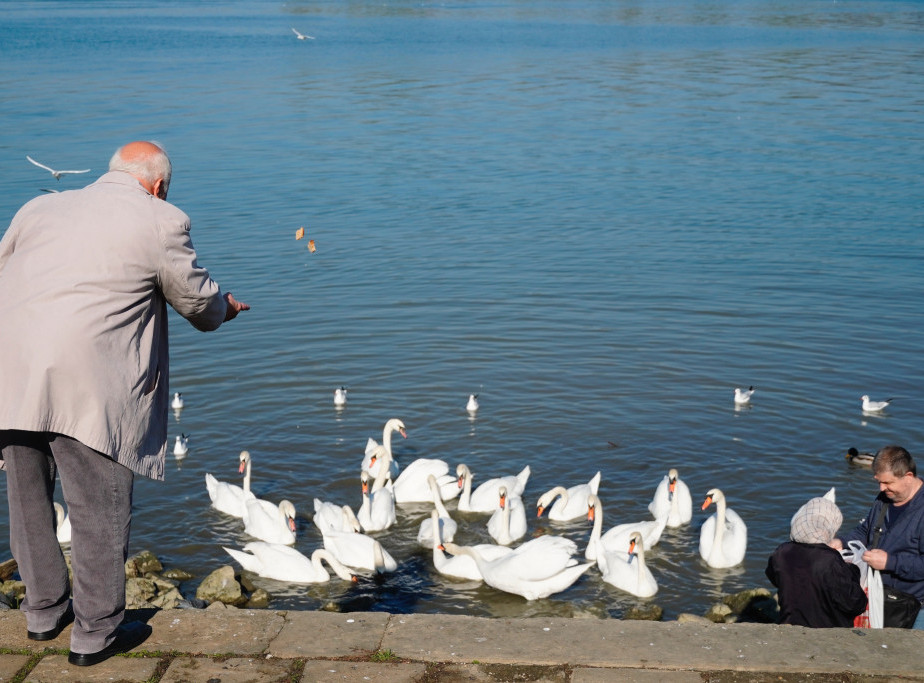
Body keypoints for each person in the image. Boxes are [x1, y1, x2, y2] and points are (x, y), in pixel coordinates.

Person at [0, 141, 250, 665]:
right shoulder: (161, 220)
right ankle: (94, 635)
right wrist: (224, 307)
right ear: (157, 186)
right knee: (98, 508)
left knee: (26, 501)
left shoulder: (36, 208)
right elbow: (196, 303)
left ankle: (44, 615)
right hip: (88, 386)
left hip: (13, 376)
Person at [831, 445, 924, 629]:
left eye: (888, 483)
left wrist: (890, 562)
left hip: (915, 607)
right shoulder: (884, 498)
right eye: (879, 482)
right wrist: (841, 542)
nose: (882, 488)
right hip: (879, 597)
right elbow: (866, 531)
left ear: (908, 477)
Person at [766, 494, 867, 627]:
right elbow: (855, 604)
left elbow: (774, 577)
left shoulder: (781, 552)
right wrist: (852, 570)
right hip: (827, 632)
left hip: (789, 625)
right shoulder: (830, 560)